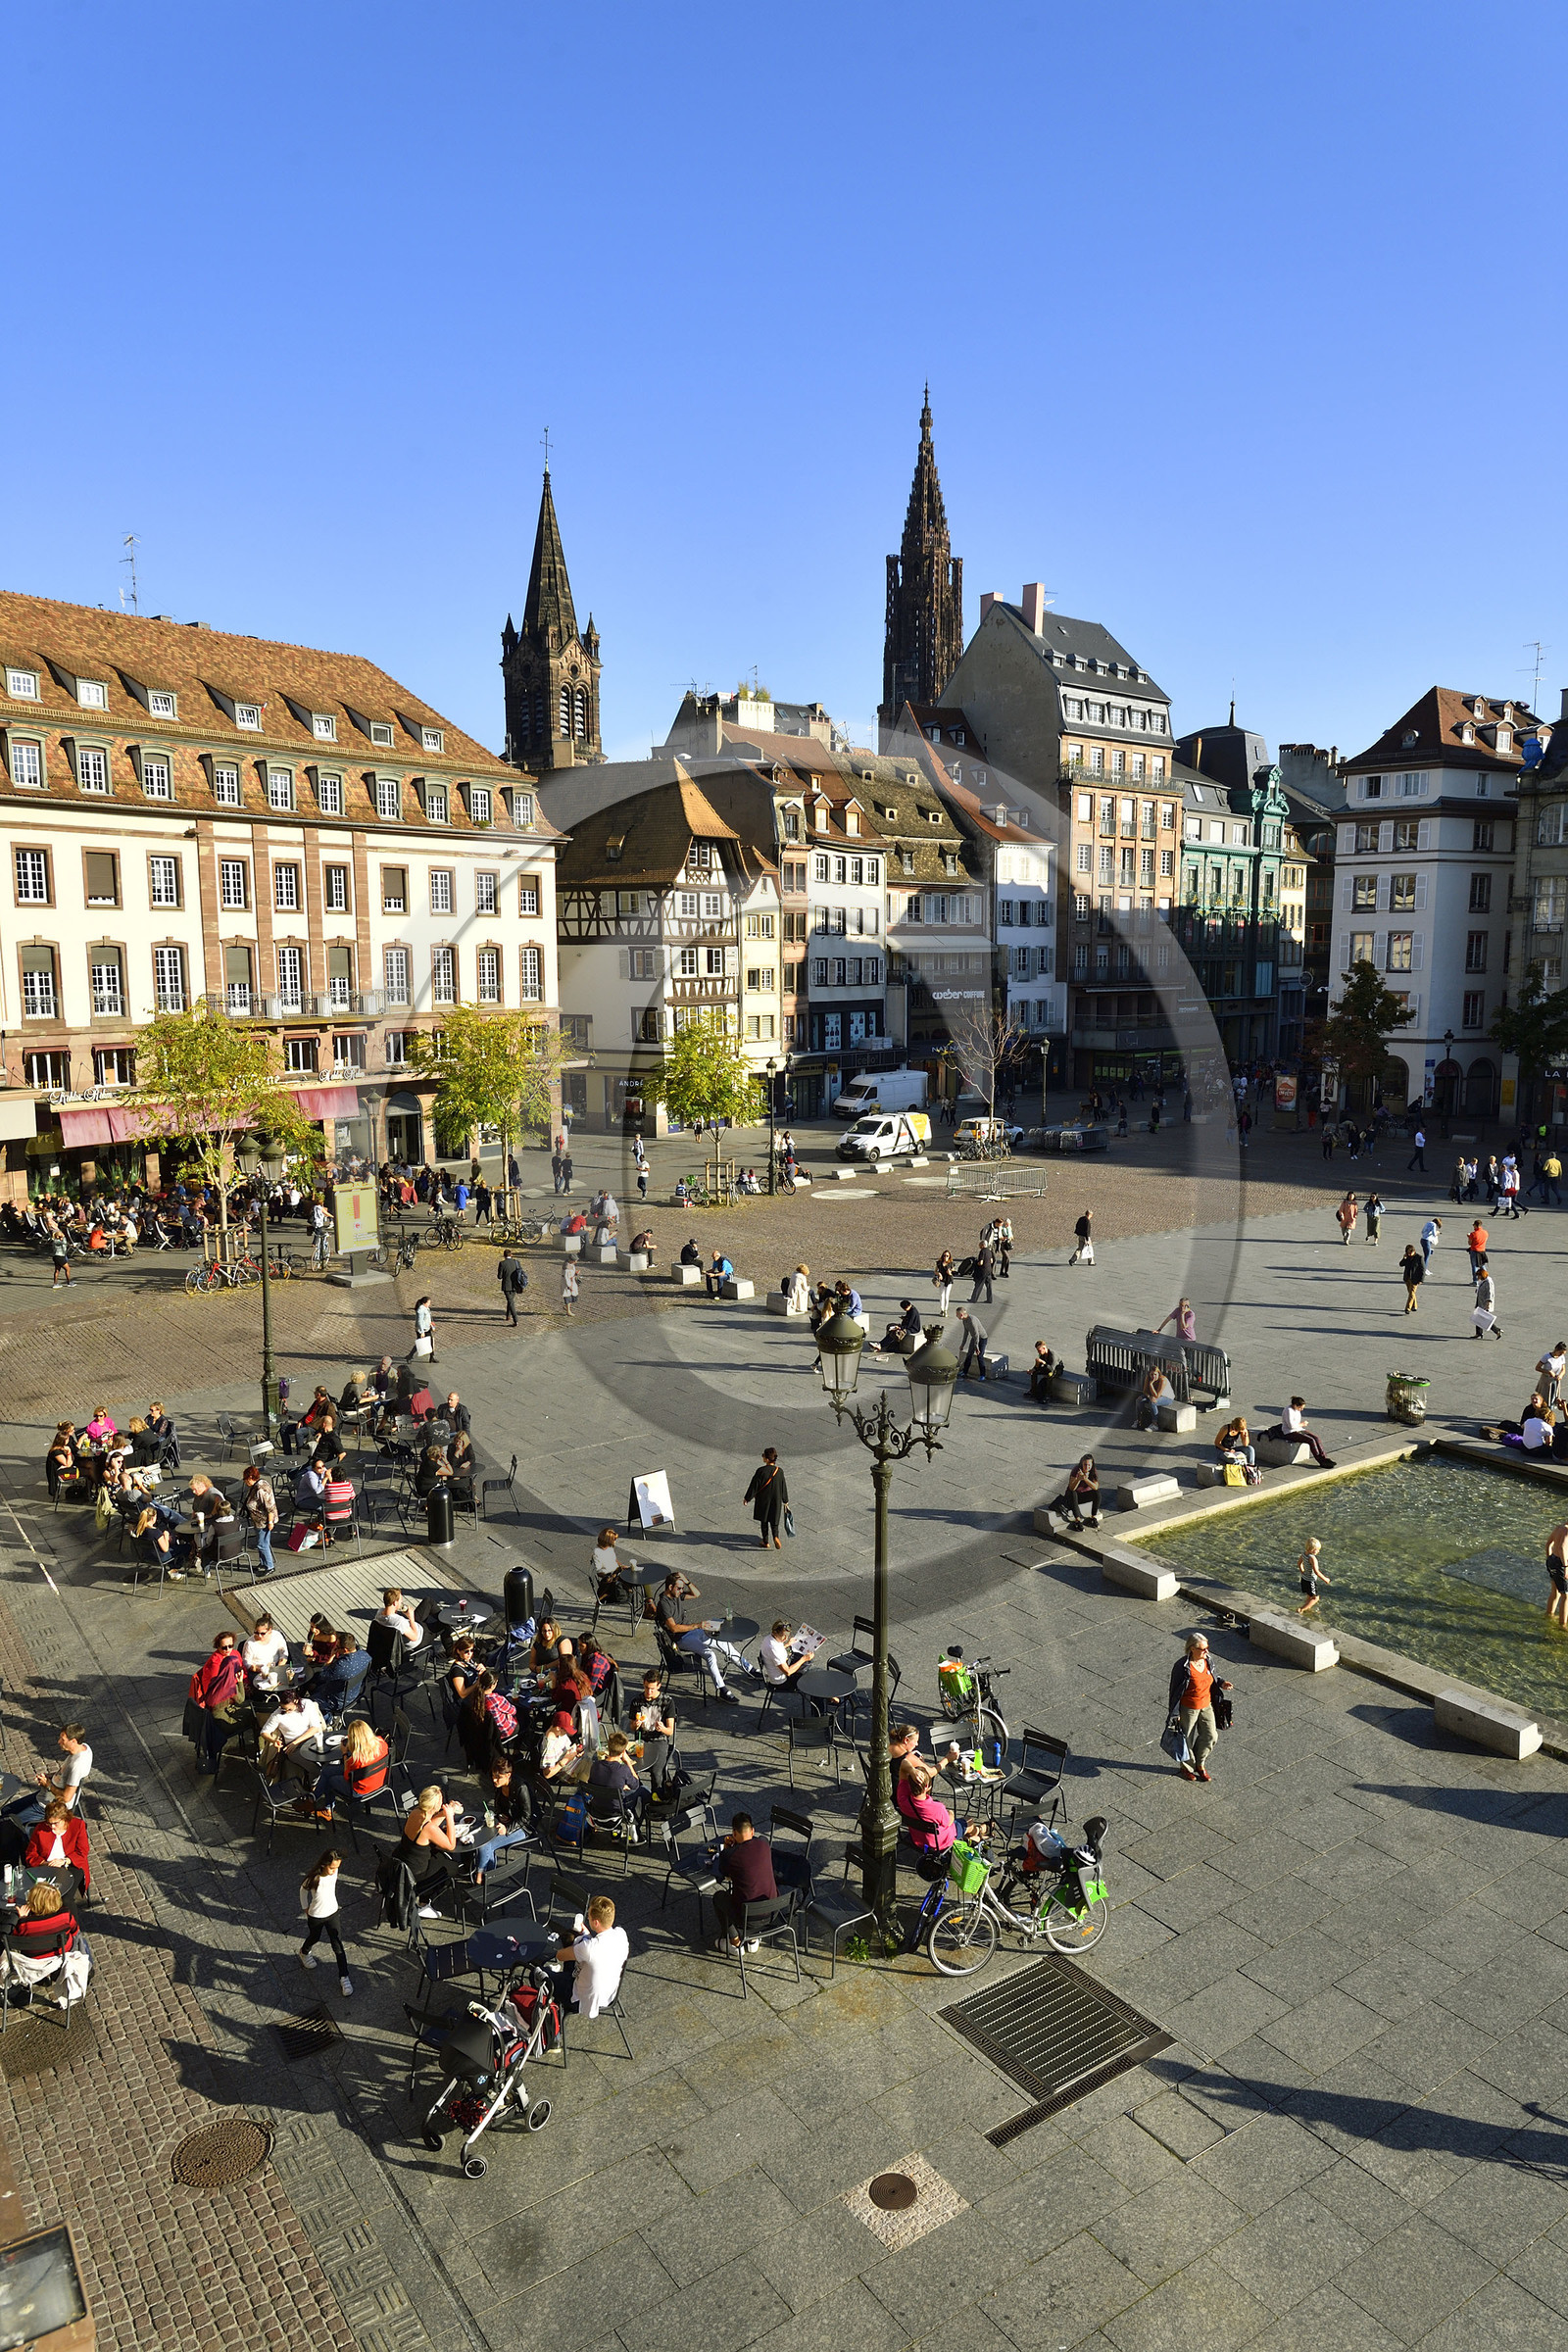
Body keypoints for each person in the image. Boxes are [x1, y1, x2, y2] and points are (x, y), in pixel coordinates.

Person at [653, 1571, 751, 1702]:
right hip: (681, 1638)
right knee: (710, 1655)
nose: (682, 1591)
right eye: (679, 1588)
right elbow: (674, 1627)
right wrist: (698, 1625)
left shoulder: (677, 1595)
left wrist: (686, 1581)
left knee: (723, 1642)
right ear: (670, 1587)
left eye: (683, 1588)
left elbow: (696, 1594)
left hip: (691, 1631)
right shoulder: (664, 1604)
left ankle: (749, 1669)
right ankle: (722, 1689)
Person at [550, 1891, 629, 2019]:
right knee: (576, 1951)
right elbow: (599, 1950)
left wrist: (580, 1941)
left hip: (581, 2000)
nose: (587, 1917)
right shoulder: (621, 1934)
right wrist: (585, 1935)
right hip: (608, 1993)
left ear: (596, 1922)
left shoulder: (588, 1948)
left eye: (589, 1916)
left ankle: (550, 2015)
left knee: (536, 1973)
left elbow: (560, 1956)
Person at [1168, 1632, 1233, 1784]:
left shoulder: (1207, 1660)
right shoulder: (1182, 1667)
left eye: (1207, 1648)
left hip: (1206, 1704)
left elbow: (1213, 1676)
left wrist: (1221, 1683)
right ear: (1192, 1648)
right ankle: (1187, 1768)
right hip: (1188, 1708)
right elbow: (1175, 1691)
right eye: (1203, 1649)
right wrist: (1175, 1713)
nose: (1207, 1652)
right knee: (1187, 1740)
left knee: (1211, 1736)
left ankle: (1199, 1763)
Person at [712, 1812, 775, 1952]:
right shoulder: (764, 1844)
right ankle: (752, 1941)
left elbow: (724, 1872)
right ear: (752, 1831)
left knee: (719, 1897)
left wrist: (728, 1850)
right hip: (773, 1912)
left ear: (734, 1833)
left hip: (747, 1917)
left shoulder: (729, 1855)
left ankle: (735, 1942)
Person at [400, 1787, 464, 1920]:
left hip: (403, 1863)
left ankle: (425, 1898)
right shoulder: (428, 1828)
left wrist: (442, 1814)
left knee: (440, 1857)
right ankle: (424, 1903)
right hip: (416, 1873)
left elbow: (429, 1824)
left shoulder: (416, 1812)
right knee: (452, 1867)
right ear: (435, 1805)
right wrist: (450, 1817)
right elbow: (450, 1845)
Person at [188, 1634, 247, 1771]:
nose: (228, 1650)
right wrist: (239, 1683)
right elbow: (241, 1699)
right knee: (252, 1716)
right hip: (223, 1721)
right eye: (224, 1647)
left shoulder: (220, 1679)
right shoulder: (226, 1685)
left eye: (230, 1646)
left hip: (214, 1714)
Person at [299, 1849, 354, 1994]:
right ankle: (304, 1952)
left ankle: (344, 1977)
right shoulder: (314, 1879)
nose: (334, 1871)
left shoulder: (333, 1873)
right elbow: (302, 1890)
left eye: (337, 1868)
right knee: (314, 1937)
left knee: (337, 1944)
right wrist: (305, 1907)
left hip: (333, 1912)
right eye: (332, 1867)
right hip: (316, 1916)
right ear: (324, 1864)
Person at [895, 1758, 957, 1878]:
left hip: (917, 1838)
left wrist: (912, 1771)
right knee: (967, 1823)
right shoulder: (937, 1808)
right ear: (927, 1787)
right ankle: (981, 1833)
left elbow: (903, 1764)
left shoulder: (903, 1798)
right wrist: (951, 1813)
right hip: (940, 1842)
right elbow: (948, 1822)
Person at [314, 1715, 388, 1810]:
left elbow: (347, 1776)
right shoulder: (382, 1743)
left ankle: (326, 1807)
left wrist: (344, 1753)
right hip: (378, 1782)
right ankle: (314, 1798)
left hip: (358, 1791)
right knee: (327, 1770)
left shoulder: (355, 1760)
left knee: (330, 1779)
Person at [24, 1799, 90, 1903]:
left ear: (65, 1819)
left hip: (72, 1865)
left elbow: (82, 1851)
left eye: (56, 1823)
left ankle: (69, 1919)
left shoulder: (78, 1825)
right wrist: (45, 1863)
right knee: (39, 1897)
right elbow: (31, 1853)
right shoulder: (41, 1828)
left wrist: (64, 1861)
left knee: (65, 1898)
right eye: (49, 1823)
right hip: (46, 1867)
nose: (52, 1827)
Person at [259, 1689, 326, 1787]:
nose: (286, 1712)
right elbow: (264, 1732)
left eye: (289, 1709)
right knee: (315, 1769)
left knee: (331, 1761)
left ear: (295, 1701)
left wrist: (297, 1742)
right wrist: (273, 1740)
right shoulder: (277, 1715)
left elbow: (315, 1728)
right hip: (293, 1750)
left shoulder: (307, 1704)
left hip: (311, 1741)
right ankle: (313, 1787)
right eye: (283, 1709)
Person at [743, 1447, 788, 1547]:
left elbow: (754, 1486)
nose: (762, 1457)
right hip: (776, 1500)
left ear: (767, 1459)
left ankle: (765, 1541)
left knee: (764, 1520)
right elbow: (783, 1486)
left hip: (763, 1500)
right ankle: (776, 1536)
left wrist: (747, 1498)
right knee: (774, 1520)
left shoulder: (760, 1471)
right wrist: (785, 1500)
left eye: (763, 1455)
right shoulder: (779, 1471)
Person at [1272, 1396, 1336, 1468]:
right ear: (1295, 1405)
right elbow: (1291, 1426)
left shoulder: (1296, 1410)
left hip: (1299, 1429)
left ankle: (1324, 1458)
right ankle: (1320, 1460)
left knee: (1316, 1438)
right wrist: (1302, 1424)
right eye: (1300, 1408)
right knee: (1311, 1440)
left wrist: (1301, 1426)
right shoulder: (1288, 1411)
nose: (1302, 1409)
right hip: (1289, 1432)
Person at [240, 1463, 278, 1576]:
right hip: (258, 1521)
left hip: (264, 1521)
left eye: (245, 1479)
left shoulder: (260, 1490)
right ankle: (263, 1562)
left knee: (262, 1544)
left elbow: (270, 1508)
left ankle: (270, 1566)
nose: (244, 1481)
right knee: (261, 1542)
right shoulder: (259, 1483)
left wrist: (270, 1522)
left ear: (251, 1478)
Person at [1044, 1456, 1101, 1530]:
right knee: (1073, 1493)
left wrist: (1086, 1479)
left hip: (1083, 1495)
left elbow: (1095, 1487)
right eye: (1085, 1465)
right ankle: (1077, 1520)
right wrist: (1079, 1479)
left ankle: (1093, 1517)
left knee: (1097, 1493)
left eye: (1089, 1465)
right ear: (1081, 1464)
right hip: (1072, 1496)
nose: (1087, 1467)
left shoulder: (1093, 1471)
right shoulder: (1076, 1470)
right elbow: (1072, 1488)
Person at [760, 1619, 814, 1693]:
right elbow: (788, 1672)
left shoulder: (768, 1638)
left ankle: (831, 1697)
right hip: (782, 1682)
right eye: (783, 1636)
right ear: (775, 1633)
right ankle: (827, 1699)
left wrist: (787, 1644)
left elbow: (775, 1653)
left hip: (780, 1672)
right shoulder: (774, 1649)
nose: (786, 1638)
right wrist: (803, 1659)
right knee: (813, 1678)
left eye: (787, 1635)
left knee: (810, 1669)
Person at [242, 1613, 289, 1691]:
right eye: (256, 1633)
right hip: (258, 1673)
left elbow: (284, 1655)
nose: (259, 1636)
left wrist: (278, 1669)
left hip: (276, 1668)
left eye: (263, 1633)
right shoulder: (250, 1644)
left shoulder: (277, 1636)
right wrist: (260, 1669)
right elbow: (246, 1663)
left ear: (270, 1631)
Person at [375, 1588, 423, 1652]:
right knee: (439, 1624)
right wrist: (411, 1617)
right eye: (400, 1601)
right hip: (418, 1638)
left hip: (384, 1646)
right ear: (394, 1603)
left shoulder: (379, 1613)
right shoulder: (399, 1622)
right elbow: (414, 1637)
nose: (401, 1602)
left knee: (428, 1602)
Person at [1297, 1539, 1332, 1617]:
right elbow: (1316, 1571)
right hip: (1310, 1581)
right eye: (1317, 1550)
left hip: (1304, 1579)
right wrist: (1325, 1579)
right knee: (1316, 1598)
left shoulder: (1304, 1554)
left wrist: (1302, 1571)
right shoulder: (1312, 1558)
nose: (1318, 1551)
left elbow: (1299, 1563)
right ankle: (1301, 1609)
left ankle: (1307, 1608)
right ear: (1312, 1549)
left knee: (1309, 1596)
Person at [955, 1304, 989, 1381]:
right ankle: (965, 1371)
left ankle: (983, 1375)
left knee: (980, 1356)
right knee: (969, 1354)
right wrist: (962, 1344)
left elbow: (976, 1334)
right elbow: (966, 1333)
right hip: (974, 1338)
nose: (956, 1316)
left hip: (982, 1338)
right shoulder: (964, 1320)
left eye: (957, 1315)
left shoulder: (972, 1320)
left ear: (961, 1314)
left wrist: (977, 1348)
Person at [1136, 1362, 1174, 1430]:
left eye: (1155, 1374)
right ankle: (1139, 1420)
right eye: (1152, 1374)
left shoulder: (1163, 1380)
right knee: (1139, 1400)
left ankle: (1155, 1424)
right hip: (1152, 1395)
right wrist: (1148, 1396)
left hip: (1166, 1397)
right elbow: (1144, 1391)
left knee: (1153, 1402)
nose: (1153, 1376)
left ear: (1158, 1374)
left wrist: (1151, 1384)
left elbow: (1157, 1395)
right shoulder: (1148, 1378)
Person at [498, 1249, 528, 1324]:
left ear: (504, 1256)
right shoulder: (517, 1262)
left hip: (507, 1286)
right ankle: (508, 1315)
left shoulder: (502, 1263)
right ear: (511, 1255)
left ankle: (516, 1320)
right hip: (516, 1285)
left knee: (511, 1302)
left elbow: (499, 1276)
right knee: (510, 1301)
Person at [1547, 1523, 1568, 1631]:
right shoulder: (1567, 1531)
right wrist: (1566, 1567)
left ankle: (1549, 1615)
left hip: (1552, 1561)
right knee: (1566, 1596)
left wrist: (1549, 1559)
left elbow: (1548, 1544)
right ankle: (1562, 1625)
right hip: (1561, 1565)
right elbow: (1562, 1548)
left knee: (1555, 1592)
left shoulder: (1559, 1528)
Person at [1473, 1263, 1502, 1339]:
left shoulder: (1488, 1282)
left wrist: (1488, 1303)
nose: (1478, 1278)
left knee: (1485, 1319)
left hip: (1485, 1303)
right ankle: (1479, 1333)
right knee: (1478, 1317)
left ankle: (1497, 1331)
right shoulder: (1483, 1281)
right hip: (1480, 1302)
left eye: (1478, 1276)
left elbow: (1490, 1293)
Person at [409, 1295, 437, 1362]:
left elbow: (427, 1318)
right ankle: (409, 1356)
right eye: (428, 1303)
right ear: (424, 1303)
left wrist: (430, 1324)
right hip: (422, 1330)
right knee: (419, 1344)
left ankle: (431, 1357)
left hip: (427, 1328)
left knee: (431, 1342)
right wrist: (422, 1332)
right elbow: (420, 1321)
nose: (429, 1304)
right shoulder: (421, 1310)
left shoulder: (426, 1308)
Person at [1399, 1243, 1425, 1314]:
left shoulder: (1419, 1258)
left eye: (1411, 1252)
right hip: (1407, 1278)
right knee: (1411, 1293)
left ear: (1414, 1251)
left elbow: (1423, 1269)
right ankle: (1415, 1306)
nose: (1410, 1254)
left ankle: (1408, 1308)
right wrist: (1404, 1258)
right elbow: (1401, 1264)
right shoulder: (1407, 1257)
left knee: (1412, 1293)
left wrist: (1421, 1280)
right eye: (1408, 1253)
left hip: (1415, 1279)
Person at [968, 1239, 995, 1306]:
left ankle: (974, 1299)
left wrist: (976, 1263)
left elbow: (981, 1262)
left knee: (978, 1285)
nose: (979, 1246)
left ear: (983, 1245)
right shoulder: (989, 1251)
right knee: (989, 1286)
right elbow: (991, 1261)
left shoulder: (982, 1252)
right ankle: (990, 1299)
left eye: (980, 1244)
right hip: (989, 1270)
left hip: (983, 1271)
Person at [932, 1250, 956, 1316]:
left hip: (948, 1281)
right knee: (941, 1295)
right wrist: (939, 1274)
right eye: (944, 1255)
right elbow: (935, 1271)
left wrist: (949, 1273)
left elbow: (953, 1273)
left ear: (949, 1257)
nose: (945, 1257)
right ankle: (941, 1310)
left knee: (946, 1296)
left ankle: (945, 1310)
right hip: (942, 1281)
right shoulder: (939, 1263)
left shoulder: (951, 1263)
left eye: (947, 1256)